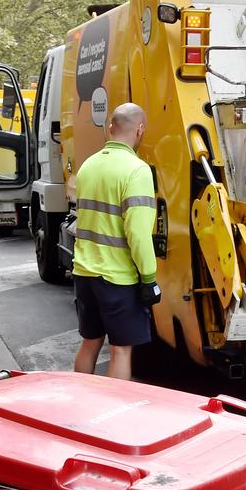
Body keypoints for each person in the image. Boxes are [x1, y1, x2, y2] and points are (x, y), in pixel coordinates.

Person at [70, 103, 160, 381]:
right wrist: (149, 278)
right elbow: (138, 233)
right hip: (118, 278)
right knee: (121, 350)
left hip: (84, 271)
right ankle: (114, 413)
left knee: (90, 341)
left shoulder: (89, 165)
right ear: (140, 130)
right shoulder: (137, 170)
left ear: (111, 128)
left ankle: (81, 398)